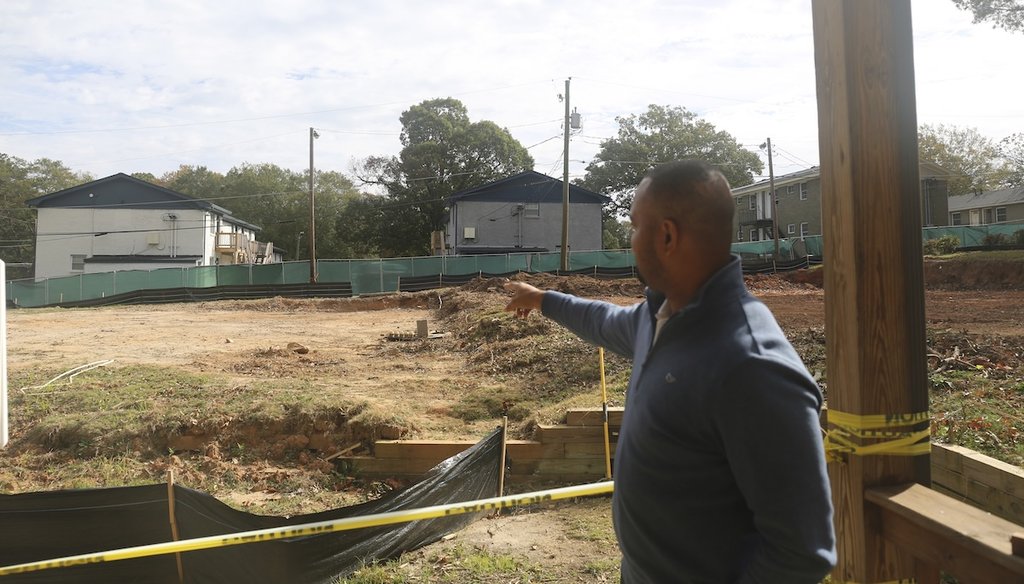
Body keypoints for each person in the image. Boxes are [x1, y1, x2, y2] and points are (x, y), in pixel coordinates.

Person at [504, 160, 836, 583]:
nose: (630, 239)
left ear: (666, 235)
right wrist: (542, 299)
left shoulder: (753, 368)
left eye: (634, 226)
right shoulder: (659, 316)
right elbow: (602, 320)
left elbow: (802, 551)